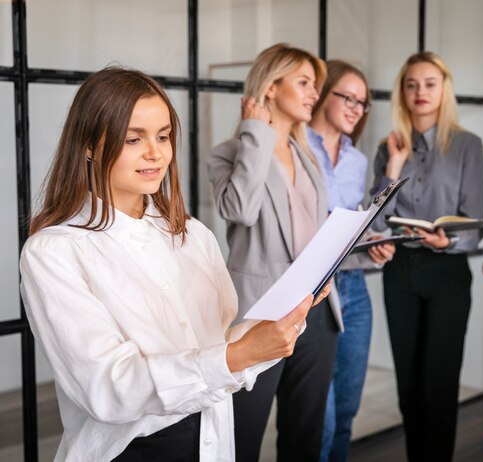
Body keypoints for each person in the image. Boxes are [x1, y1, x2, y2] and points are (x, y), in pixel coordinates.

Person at [19, 67, 326, 462]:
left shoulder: (193, 234)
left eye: (163, 136)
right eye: (134, 139)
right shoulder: (55, 252)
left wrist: (280, 322)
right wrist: (237, 356)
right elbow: (108, 388)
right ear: (89, 146)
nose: (156, 153)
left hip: (213, 440)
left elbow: (219, 344)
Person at [207, 44, 343, 462]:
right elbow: (239, 210)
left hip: (316, 309)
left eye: (315, 86)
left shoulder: (308, 157)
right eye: (303, 83)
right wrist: (255, 132)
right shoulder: (229, 153)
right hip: (259, 315)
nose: (313, 94)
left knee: (305, 432)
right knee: (243, 434)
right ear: (270, 85)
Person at [369, 51, 483, 461]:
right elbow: (377, 218)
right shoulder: (390, 147)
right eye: (412, 84)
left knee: (438, 386)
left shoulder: (468, 145)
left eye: (429, 83)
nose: (420, 92)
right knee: (408, 386)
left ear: (443, 89)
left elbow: (475, 224)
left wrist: (447, 242)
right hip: (400, 271)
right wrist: (394, 165)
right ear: (402, 91)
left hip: (446, 272)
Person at [307, 60, 395, 462]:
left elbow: (354, 222)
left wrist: (372, 240)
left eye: (363, 103)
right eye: (348, 97)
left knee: (346, 411)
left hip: (354, 287)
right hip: (311, 291)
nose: (356, 108)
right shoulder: (296, 146)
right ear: (324, 93)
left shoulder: (357, 161)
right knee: (317, 420)